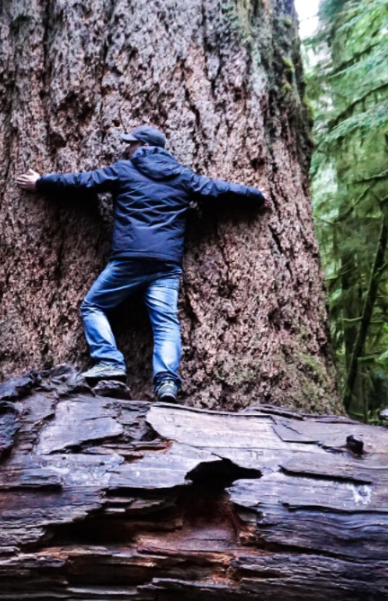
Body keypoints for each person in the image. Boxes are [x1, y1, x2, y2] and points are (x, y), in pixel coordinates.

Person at [16, 125, 266, 403]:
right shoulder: (182, 177)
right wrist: (255, 196)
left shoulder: (124, 170)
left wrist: (42, 182)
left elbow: (82, 182)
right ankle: (167, 382)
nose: (126, 148)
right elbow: (219, 190)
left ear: (145, 147)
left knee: (93, 306)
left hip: (130, 259)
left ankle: (109, 361)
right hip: (166, 264)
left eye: (130, 143)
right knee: (165, 323)